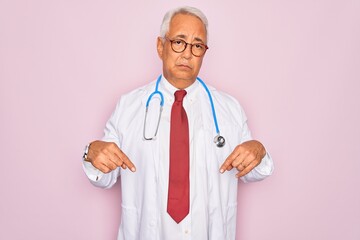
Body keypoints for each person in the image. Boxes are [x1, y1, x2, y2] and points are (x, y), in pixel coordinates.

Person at [82, 6, 274, 240]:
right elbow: (105, 176)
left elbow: (253, 171)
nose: (187, 54)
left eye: (197, 45)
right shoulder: (128, 106)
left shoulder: (229, 108)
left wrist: (259, 151)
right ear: (161, 47)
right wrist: (91, 153)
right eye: (179, 42)